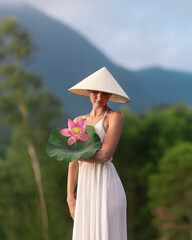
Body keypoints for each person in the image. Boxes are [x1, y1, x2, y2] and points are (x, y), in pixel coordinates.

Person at [66, 66, 131, 240]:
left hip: (107, 186)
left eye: (105, 93)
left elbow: (105, 155)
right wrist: (70, 199)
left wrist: (71, 153)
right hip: (85, 190)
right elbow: (72, 166)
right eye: (95, 92)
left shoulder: (115, 117)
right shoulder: (79, 121)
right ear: (89, 92)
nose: (100, 97)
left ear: (110, 95)